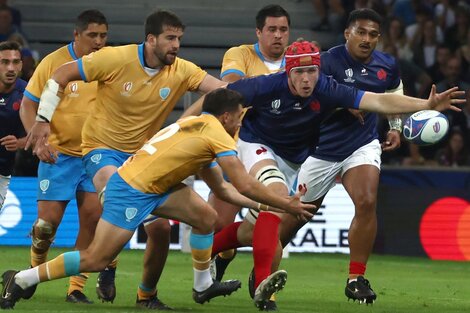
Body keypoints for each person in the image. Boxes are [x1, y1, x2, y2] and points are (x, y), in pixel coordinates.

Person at [192, 40, 464, 310]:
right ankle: (263, 289)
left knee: (254, 229)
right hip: (256, 145)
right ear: (287, 72)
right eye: (299, 72)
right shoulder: (265, 86)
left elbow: (378, 100)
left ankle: (209, 252)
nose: (306, 78)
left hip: (292, 160)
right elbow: (216, 98)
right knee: (275, 200)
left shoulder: (327, 89)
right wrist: (186, 128)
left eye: (312, 71)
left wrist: (425, 103)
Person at [0, 88, 315, 310]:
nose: (240, 122)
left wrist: (266, 205)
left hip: (156, 186)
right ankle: (23, 278)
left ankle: (203, 286)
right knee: (96, 258)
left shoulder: (195, 127)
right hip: (132, 190)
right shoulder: (217, 133)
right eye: (238, 116)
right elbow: (244, 183)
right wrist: (286, 203)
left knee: (207, 218)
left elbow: (224, 191)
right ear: (225, 115)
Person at [23, 9, 227, 309]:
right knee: (56, 222)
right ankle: (77, 267)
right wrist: (41, 123)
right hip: (87, 152)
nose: (176, 45)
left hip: (140, 159)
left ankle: (145, 294)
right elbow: (55, 79)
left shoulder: (181, 69)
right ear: (151, 39)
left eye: (179, 39)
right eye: (170, 38)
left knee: (156, 229)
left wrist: (267, 88)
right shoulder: (112, 59)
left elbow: (222, 89)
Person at [280, 8, 403, 304]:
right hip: (321, 149)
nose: (367, 39)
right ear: (347, 33)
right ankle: (262, 265)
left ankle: (356, 278)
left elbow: (394, 92)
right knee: (297, 216)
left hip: (362, 144)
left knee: (367, 200)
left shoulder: (387, 65)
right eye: (361, 32)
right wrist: (340, 103)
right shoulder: (326, 61)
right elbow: (304, 98)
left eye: (373, 34)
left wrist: (396, 126)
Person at [19, 10, 108, 304]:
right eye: (92, 35)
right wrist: (37, 140)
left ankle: (76, 287)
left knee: (92, 219)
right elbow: (28, 105)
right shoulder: (54, 62)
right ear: (77, 35)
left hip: (94, 154)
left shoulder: (108, 64)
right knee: (46, 226)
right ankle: (35, 266)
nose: (98, 42)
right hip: (57, 155)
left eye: (103, 36)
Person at [210, 6, 290, 302]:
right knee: (220, 222)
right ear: (259, 32)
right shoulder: (241, 54)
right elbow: (231, 86)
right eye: (272, 30)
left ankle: (263, 287)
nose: (278, 35)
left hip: (276, 151)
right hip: (235, 144)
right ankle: (219, 261)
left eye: (283, 30)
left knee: (270, 214)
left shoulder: (297, 62)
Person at [0, 41, 26, 212]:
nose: (10, 68)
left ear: (21, 65)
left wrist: (20, 143)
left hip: (2, 170)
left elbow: (43, 132)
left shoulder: (28, 93)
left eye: (15, 62)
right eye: (4, 62)